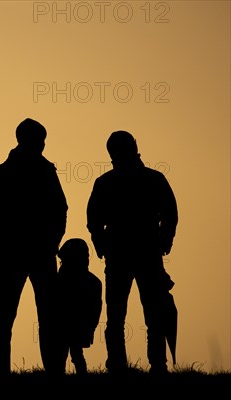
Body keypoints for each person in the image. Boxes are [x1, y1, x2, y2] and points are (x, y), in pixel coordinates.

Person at [86, 130, 178, 375]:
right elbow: (170, 213)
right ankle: (154, 365)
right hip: (141, 252)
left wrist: (101, 244)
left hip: (126, 253)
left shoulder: (106, 182)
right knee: (144, 313)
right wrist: (164, 240)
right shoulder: (153, 179)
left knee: (121, 314)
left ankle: (121, 365)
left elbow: (93, 219)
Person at [0, 118, 68, 376]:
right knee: (16, 316)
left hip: (33, 253)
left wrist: (51, 243)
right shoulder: (21, 172)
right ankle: (10, 371)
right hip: (20, 254)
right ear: (28, 140)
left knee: (42, 316)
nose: (43, 145)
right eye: (40, 140)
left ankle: (51, 370)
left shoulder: (7, 171)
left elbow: (60, 210)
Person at [55, 238, 102, 375]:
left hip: (74, 326)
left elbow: (95, 309)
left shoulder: (60, 281)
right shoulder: (93, 282)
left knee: (71, 353)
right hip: (74, 326)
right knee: (74, 354)